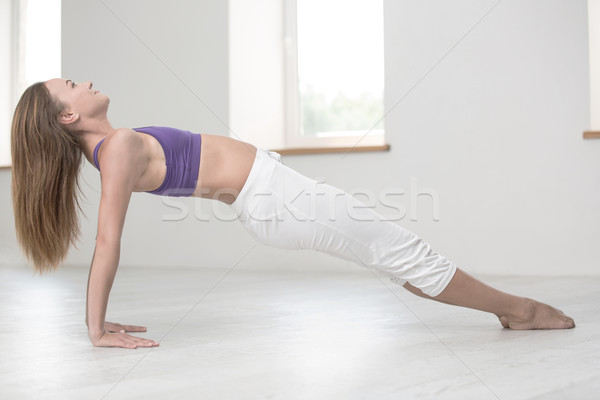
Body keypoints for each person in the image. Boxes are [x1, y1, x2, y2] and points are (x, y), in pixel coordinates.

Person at [10, 79, 575, 349]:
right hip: (279, 200)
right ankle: (519, 310)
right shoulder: (120, 150)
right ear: (66, 119)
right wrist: (95, 329)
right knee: (405, 252)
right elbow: (108, 242)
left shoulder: (115, 150)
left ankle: (508, 311)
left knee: (396, 255)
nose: (83, 83)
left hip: (277, 197)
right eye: (70, 86)